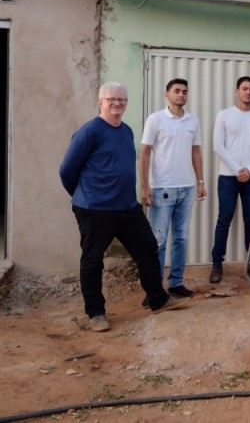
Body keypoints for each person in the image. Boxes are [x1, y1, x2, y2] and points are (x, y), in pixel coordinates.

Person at [59, 82, 190, 333]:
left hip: (126, 207)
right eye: (111, 99)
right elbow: (67, 170)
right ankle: (96, 312)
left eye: (121, 99)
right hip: (95, 210)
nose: (117, 103)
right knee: (92, 260)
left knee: (148, 248)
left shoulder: (126, 131)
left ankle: (157, 299)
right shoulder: (89, 132)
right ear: (101, 102)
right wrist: (83, 196)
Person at [139, 78, 206, 303]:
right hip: (162, 189)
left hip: (186, 188)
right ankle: (154, 289)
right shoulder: (156, 119)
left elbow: (196, 152)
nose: (181, 94)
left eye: (185, 91)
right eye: (177, 91)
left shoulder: (192, 121)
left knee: (181, 238)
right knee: (157, 241)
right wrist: (145, 186)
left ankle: (176, 282)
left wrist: (200, 181)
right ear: (166, 94)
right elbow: (145, 153)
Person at [209, 76, 250, 284]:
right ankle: (217, 264)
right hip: (228, 176)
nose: (248, 92)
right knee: (223, 219)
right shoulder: (224, 115)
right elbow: (218, 145)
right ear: (237, 91)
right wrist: (238, 170)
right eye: (245, 89)